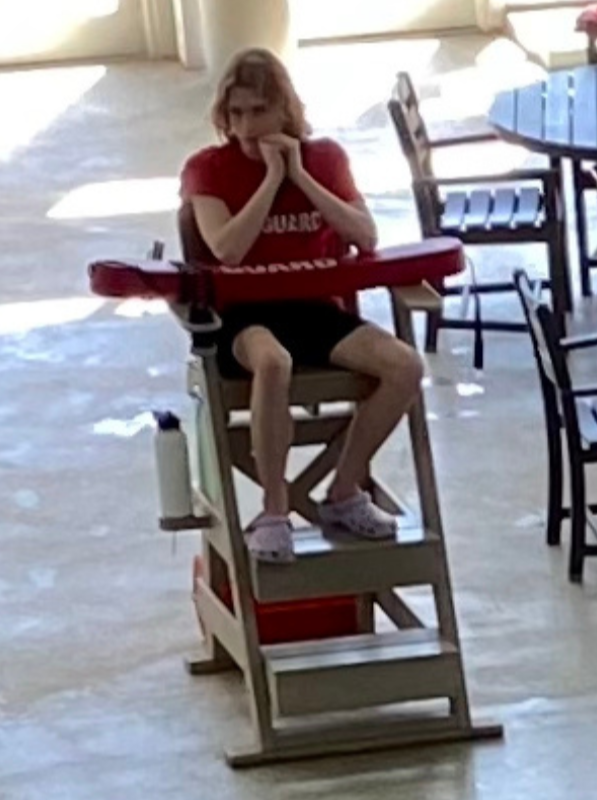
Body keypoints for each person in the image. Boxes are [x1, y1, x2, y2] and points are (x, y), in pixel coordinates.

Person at [177, 49, 423, 551]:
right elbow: (228, 249)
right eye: (237, 113)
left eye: (259, 111)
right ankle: (274, 511)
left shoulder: (326, 158)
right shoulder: (207, 169)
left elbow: (365, 235)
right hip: (242, 315)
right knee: (274, 363)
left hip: (313, 308)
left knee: (405, 366)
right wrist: (270, 182)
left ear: (285, 111)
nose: (246, 126)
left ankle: (345, 488)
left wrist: (302, 179)